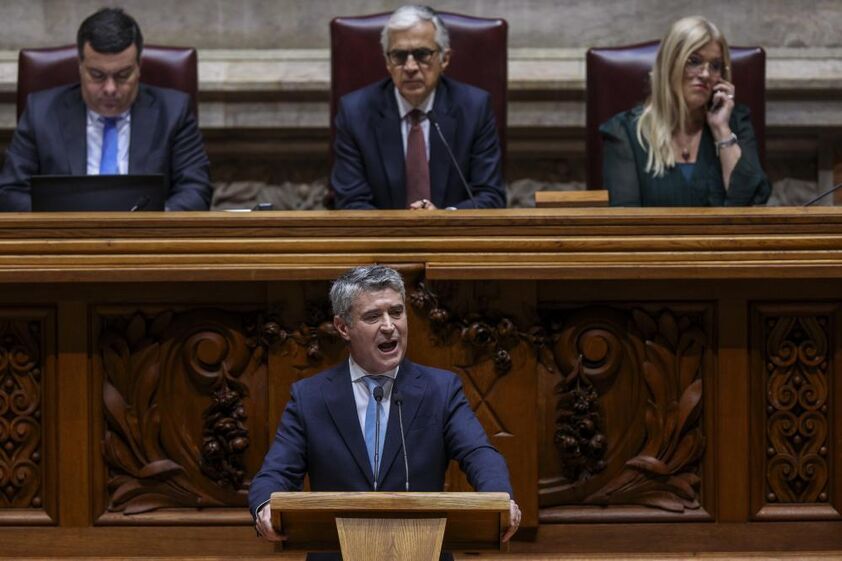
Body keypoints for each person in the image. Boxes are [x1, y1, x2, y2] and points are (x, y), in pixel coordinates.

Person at [249, 265, 521, 559]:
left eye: (396, 312)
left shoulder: (440, 389)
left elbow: (479, 453)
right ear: (343, 327)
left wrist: (500, 499)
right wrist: (265, 506)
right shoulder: (310, 397)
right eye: (373, 316)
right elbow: (275, 473)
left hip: (421, 551)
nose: (390, 325)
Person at [0, 8, 212, 211]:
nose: (110, 88)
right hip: (65, 241)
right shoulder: (41, 112)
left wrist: (153, 223)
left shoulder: (173, 112)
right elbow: (10, 192)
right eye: (97, 75)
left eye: (122, 75)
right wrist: (65, 223)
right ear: (80, 67)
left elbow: (196, 190)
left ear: (139, 67)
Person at [330, 5, 506, 210]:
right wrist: (399, 232)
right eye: (399, 56)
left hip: (455, 239)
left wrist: (443, 219)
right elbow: (350, 202)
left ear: (444, 59)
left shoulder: (474, 109)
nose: (411, 67)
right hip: (382, 240)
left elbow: (490, 196)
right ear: (387, 62)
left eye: (422, 54)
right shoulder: (355, 113)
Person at [600, 16, 771, 206]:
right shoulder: (626, 132)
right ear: (670, 64)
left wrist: (721, 131)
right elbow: (626, 222)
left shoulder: (735, 123)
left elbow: (752, 206)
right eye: (694, 61)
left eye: (715, 66)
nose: (706, 74)